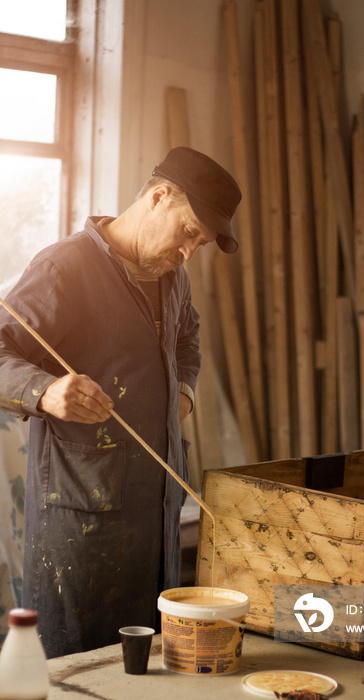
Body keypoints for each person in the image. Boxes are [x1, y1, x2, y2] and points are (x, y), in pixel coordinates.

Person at [0, 146, 242, 658]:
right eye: (189, 233)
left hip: (155, 518)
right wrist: (45, 392)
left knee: (150, 671)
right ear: (158, 198)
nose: (188, 251)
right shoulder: (63, 268)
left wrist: (183, 394)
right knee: (80, 673)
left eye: (199, 242)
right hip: (81, 526)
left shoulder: (172, 275)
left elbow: (187, 339)